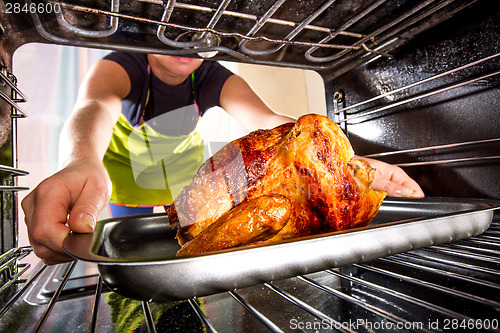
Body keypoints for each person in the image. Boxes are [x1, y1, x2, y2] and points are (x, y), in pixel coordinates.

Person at [21, 52, 424, 265]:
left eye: (197, 31)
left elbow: (269, 121)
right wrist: (79, 161)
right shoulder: (125, 65)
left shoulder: (209, 75)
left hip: (190, 194)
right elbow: (92, 106)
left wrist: (344, 166)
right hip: (125, 197)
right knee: (133, 273)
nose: (186, 45)